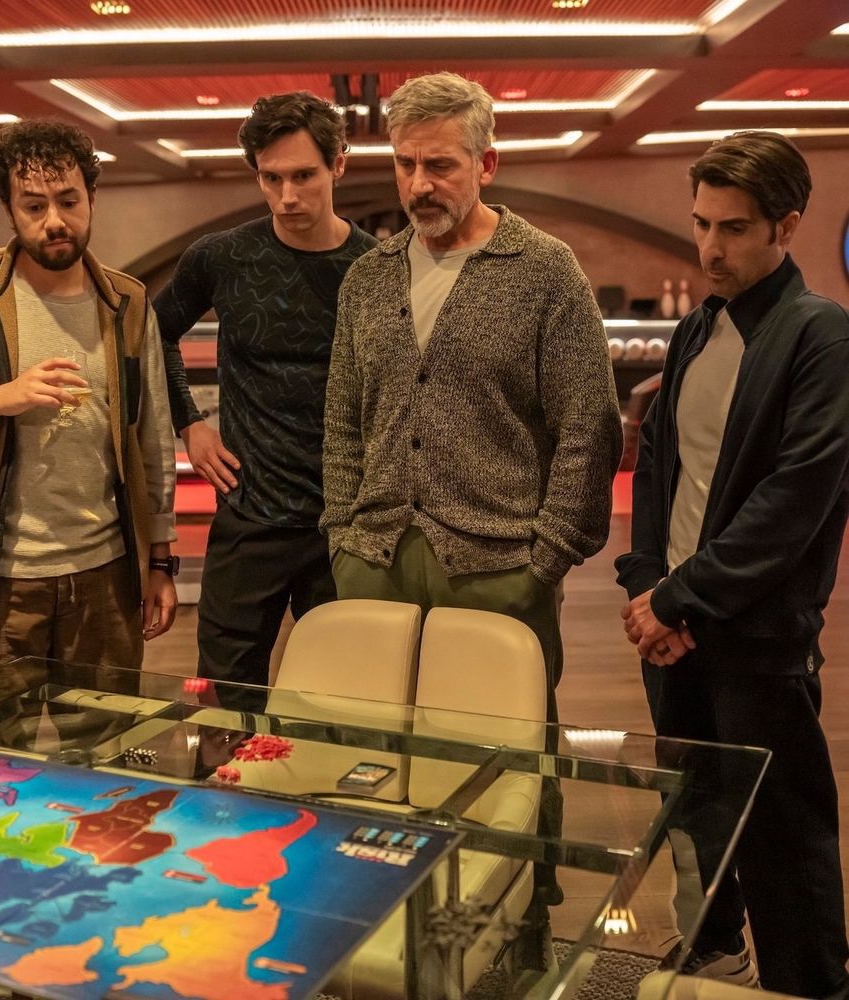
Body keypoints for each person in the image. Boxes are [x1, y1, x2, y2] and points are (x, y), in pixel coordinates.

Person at [320, 71, 622, 931]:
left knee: (510, 760)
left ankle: (521, 920)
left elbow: (588, 426)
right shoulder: (370, 279)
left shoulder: (544, 271)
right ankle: (386, 918)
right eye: (407, 164)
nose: (420, 185)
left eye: (442, 165)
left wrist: (547, 554)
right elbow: (342, 416)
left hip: (499, 564)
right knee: (376, 754)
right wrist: (341, 529)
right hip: (373, 555)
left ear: (487, 163)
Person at [616, 131, 849, 999]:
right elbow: (657, 471)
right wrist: (645, 584)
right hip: (673, 624)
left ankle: (810, 981)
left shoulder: (822, 336)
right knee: (694, 809)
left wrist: (679, 598)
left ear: (786, 227)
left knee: (783, 835)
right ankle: (715, 949)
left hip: (755, 634)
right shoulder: (696, 329)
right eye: (701, 224)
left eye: (735, 229)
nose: (709, 248)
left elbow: (792, 505)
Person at [0, 118, 178, 708]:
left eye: (69, 201)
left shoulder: (126, 302)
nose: (55, 221)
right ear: (9, 209)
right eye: (34, 204)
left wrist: (162, 559)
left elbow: (152, 439)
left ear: (91, 198)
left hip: (105, 578)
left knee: (107, 751)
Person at [154, 92, 376, 690]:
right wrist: (190, 423)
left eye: (303, 176)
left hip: (344, 527)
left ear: (339, 165)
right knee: (226, 699)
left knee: (343, 703)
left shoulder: (377, 268)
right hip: (249, 515)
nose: (287, 197)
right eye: (270, 178)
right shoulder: (222, 257)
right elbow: (153, 333)